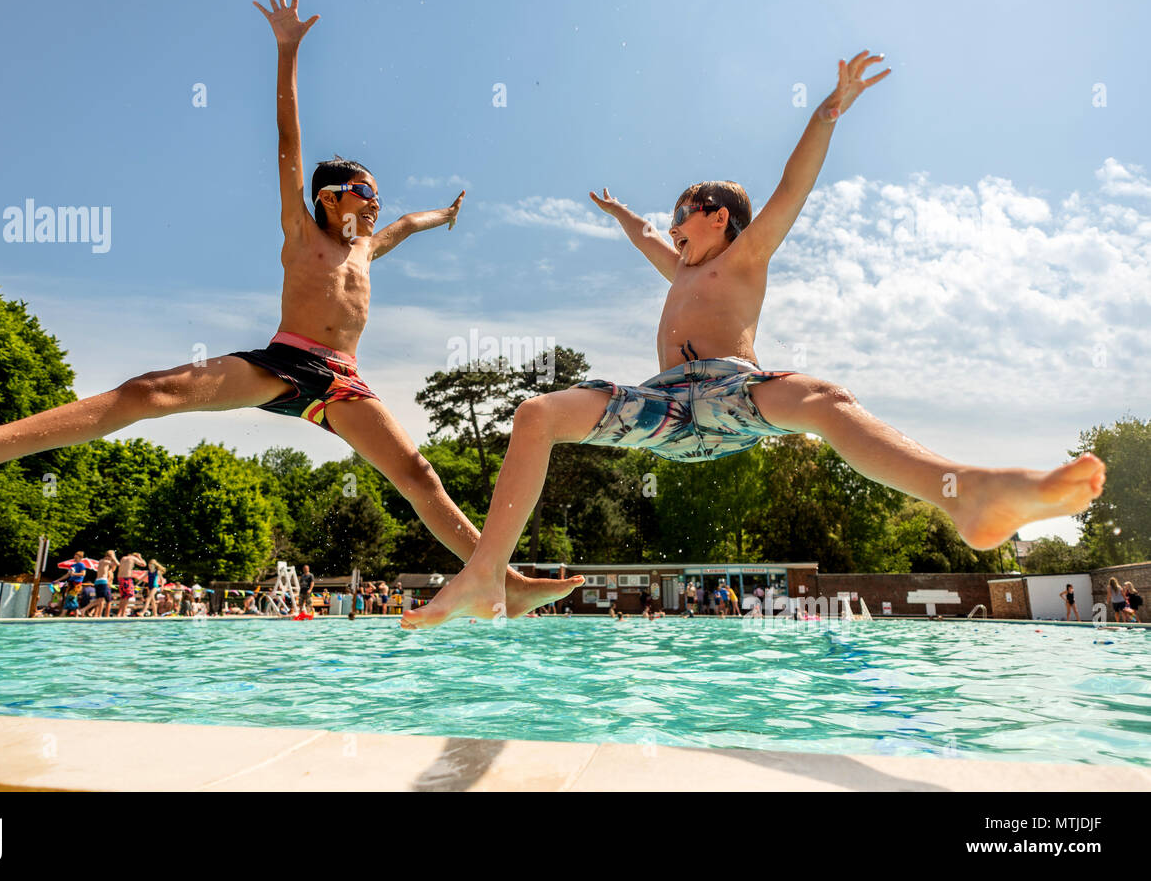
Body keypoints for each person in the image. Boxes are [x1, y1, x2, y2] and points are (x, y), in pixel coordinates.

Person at [0, 0, 581, 624]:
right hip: (283, 360)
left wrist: (444, 217)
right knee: (153, 390)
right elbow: (288, 142)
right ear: (331, 198)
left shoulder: (368, 248)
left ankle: (501, 578)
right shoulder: (301, 228)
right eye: (366, 192)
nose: (376, 205)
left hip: (343, 381)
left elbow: (408, 225)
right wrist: (287, 53)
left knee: (420, 476)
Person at [402, 51, 1107, 631]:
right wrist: (621, 214)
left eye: (682, 212)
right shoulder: (678, 266)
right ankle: (488, 574)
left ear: (717, 217)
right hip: (666, 411)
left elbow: (792, 186)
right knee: (535, 414)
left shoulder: (745, 256)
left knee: (826, 400)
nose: (670, 225)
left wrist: (825, 112)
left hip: (733, 394)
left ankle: (964, 492)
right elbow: (647, 237)